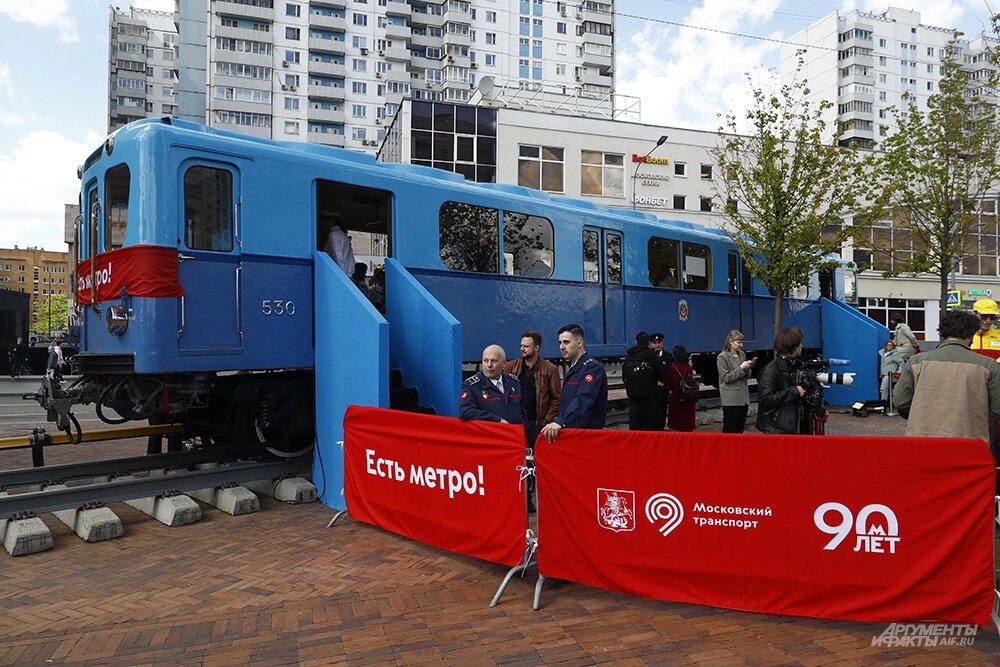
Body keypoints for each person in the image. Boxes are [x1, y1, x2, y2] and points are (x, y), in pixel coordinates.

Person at [894, 310, 1000, 444]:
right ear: (972, 334)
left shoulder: (916, 362)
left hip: (921, 440)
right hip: (969, 443)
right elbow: (997, 407)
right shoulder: (988, 365)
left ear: (942, 332)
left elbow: (900, 401)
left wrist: (920, 415)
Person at [504, 330, 561, 513]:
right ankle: (524, 500)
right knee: (519, 463)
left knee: (537, 464)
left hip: (536, 423)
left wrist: (544, 422)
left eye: (526, 346)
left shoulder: (549, 369)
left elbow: (556, 399)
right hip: (516, 424)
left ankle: (541, 499)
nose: (522, 348)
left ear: (536, 348)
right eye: (521, 345)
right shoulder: (510, 367)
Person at [541, 324, 608, 442]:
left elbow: (583, 399)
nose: (561, 347)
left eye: (566, 342)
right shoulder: (575, 368)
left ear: (579, 343)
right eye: (560, 342)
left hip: (586, 436)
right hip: (572, 433)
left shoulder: (592, 369)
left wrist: (560, 421)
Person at [755, 327, 808, 435]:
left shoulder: (795, 367)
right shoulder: (770, 370)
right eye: (799, 343)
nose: (802, 346)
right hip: (778, 429)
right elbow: (765, 399)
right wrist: (794, 391)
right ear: (792, 346)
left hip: (793, 427)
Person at [459, 344, 525, 425]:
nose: (489, 365)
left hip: (514, 434)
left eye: (493, 361)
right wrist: (496, 420)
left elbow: (524, 412)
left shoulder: (514, 382)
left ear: (504, 364)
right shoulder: (472, 385)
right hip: (490, 435)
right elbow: (465, 411)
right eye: (485, 361)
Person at [623, 332, 663, 430]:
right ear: (649, 343)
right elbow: (663, 376)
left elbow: (624, 377)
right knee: (649, 427)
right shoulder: (653, 356)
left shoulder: (629, 356)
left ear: (636, 342)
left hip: (633, 398)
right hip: (650, 398)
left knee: (635, 426)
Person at [717, 330, 754, 433]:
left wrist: (748, 368)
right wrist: (742, 368)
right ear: (730, 342)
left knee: (739, 430)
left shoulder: (742, 354)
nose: (741, 345)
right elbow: (726, 378)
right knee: (730, 429)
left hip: (743, 399)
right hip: (731, 400)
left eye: (742, 342)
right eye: (738, 342)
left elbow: (747, 376)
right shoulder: (722, 357)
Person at [667, 344, 697, 432]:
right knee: (687, 424)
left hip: (677, 398)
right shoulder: (689, 367)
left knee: (677, 424)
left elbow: (669, 384)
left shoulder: (673, 368)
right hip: (689, 398)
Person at [648, 332, 672, 430]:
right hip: (652, 392)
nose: (657, 345)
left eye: (659, 342)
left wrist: (666, 382)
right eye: (655, 343)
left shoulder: (668, 356)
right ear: (650, 344)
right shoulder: (648, 357)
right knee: (651, 416)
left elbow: (671, 372)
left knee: (661, 415)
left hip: (663, 391)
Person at [878, 339, 904, 404]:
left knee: (883, 389)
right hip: (883, 374)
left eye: (891, 345)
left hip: (889, 374)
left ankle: (883, 405)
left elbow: (902, 363)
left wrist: (898, 372)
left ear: (893, 346)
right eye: (888, 345)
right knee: (886, 390)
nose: (889, 346)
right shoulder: (883, 353)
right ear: (885, 346)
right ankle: (886, 404)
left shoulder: (895, 354)